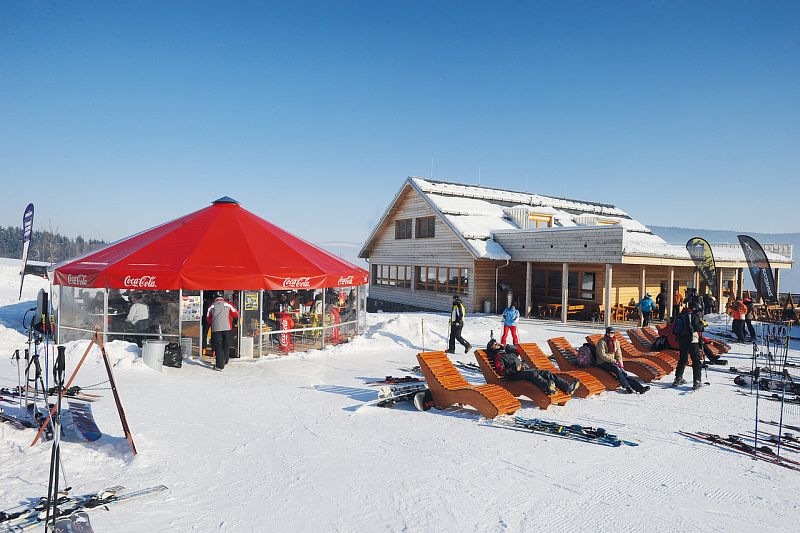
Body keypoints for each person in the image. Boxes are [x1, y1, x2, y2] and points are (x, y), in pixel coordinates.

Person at [486, 339, 579, 396]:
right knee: (532, 374)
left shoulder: (507, 352)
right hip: (514, 375)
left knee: (546, 373)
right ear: (492, 349)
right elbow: (501, 371)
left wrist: (507, 347)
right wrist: (514, 369)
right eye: (494, 344)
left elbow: (518, 351)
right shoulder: (498, 357)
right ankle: (548, 387)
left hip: (523, 370)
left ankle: (567, 387)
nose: (497, 344)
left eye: (497, 342)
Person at [595, 326, 650, 394]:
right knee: (616, 369)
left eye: (612, 333)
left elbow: (619, 354)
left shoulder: (616, 342)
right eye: (608, 333)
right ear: (606, 333)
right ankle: (627, 387)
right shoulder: (602, 342)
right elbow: (601, 355)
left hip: (612, 362)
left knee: (623, 373)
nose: (610, 334)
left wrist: (620, 364)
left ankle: (640, 388)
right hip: (602, 362)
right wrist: (614, 361)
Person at [672, 302, 704, 389]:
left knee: (683, 359)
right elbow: (698, 328)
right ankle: (697, 381)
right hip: (692, 341)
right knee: (696, 361)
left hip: (682, 341)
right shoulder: (692, 316)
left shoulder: (680, 315)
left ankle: (678, 378)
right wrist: (702, 325)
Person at [206, 292, 240, 371]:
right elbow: (236, 314)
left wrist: (214, 323)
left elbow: (208, 318)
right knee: (226, 344)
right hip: (227, 328)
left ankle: (219, 365)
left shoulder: (211, 306)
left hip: (216, 329)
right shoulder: (228, 304)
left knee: (218, 346)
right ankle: (226, 360)